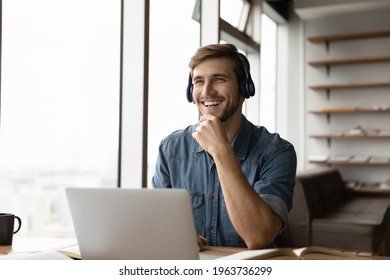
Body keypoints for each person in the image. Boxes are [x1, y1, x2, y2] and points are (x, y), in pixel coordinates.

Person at [152, 43, 297, 250]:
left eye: (219, 79)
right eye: (199, 81)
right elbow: (158, 221)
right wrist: (171, 234)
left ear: (245, 86)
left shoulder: (277, 152)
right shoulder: (170, 149)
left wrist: (222, 151)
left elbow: (259, 236)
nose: (207, 91)